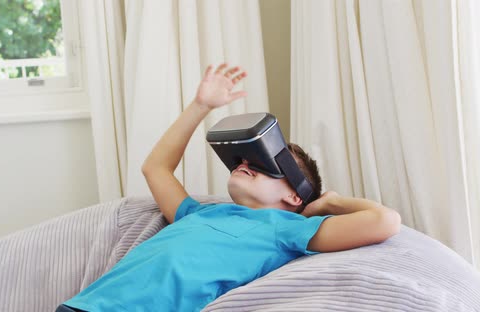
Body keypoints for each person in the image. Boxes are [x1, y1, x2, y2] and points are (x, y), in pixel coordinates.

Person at [57, 63, 401, 312]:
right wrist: (201, 106)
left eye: (265, 162)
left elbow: (384, 221)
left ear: (294, 194)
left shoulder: (287, 229)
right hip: (80, 306)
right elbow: (155, 168)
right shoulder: (198, 213)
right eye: (244, 158)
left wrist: (330, 203)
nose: (245, 163)